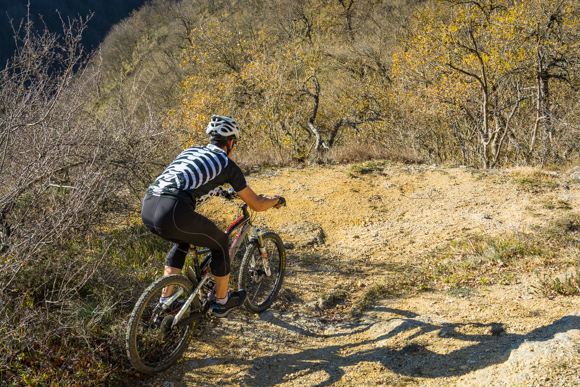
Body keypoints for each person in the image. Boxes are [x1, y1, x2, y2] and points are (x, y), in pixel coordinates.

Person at [141, 115, 284, 317]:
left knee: (181, 241)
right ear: (231, 142)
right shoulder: (226, 164)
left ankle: (165, 303)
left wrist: (222, 192)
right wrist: (276, 199)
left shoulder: (190, 151)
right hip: (174, 209)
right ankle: (222, 302)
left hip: (148, 206)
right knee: (220, 242)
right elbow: (258, 205)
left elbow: (189, 177)